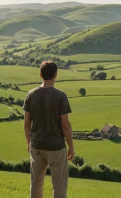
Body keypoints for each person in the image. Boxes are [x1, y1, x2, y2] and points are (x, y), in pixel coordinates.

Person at [23, 61, 74, 198]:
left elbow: (27, 124)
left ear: (40, 74)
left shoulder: (30, 94)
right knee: (59, 186)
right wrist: (71, 146)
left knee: (36, 184)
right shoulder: (60, 96)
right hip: (56, 147)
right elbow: (65, 125)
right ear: (55, 75)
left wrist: (29, 142)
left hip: (36, 145)